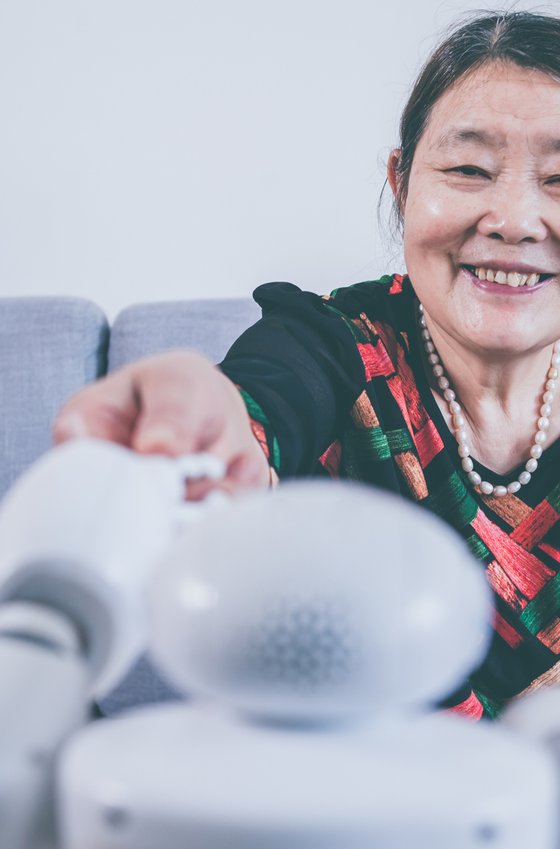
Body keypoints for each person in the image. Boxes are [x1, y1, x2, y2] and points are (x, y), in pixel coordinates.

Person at [53, 10, 560, 721]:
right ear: (401, 182)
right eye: (468, 169)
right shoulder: (332, 343)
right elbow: (260, 402)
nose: (514, 219)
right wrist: (208, 428)